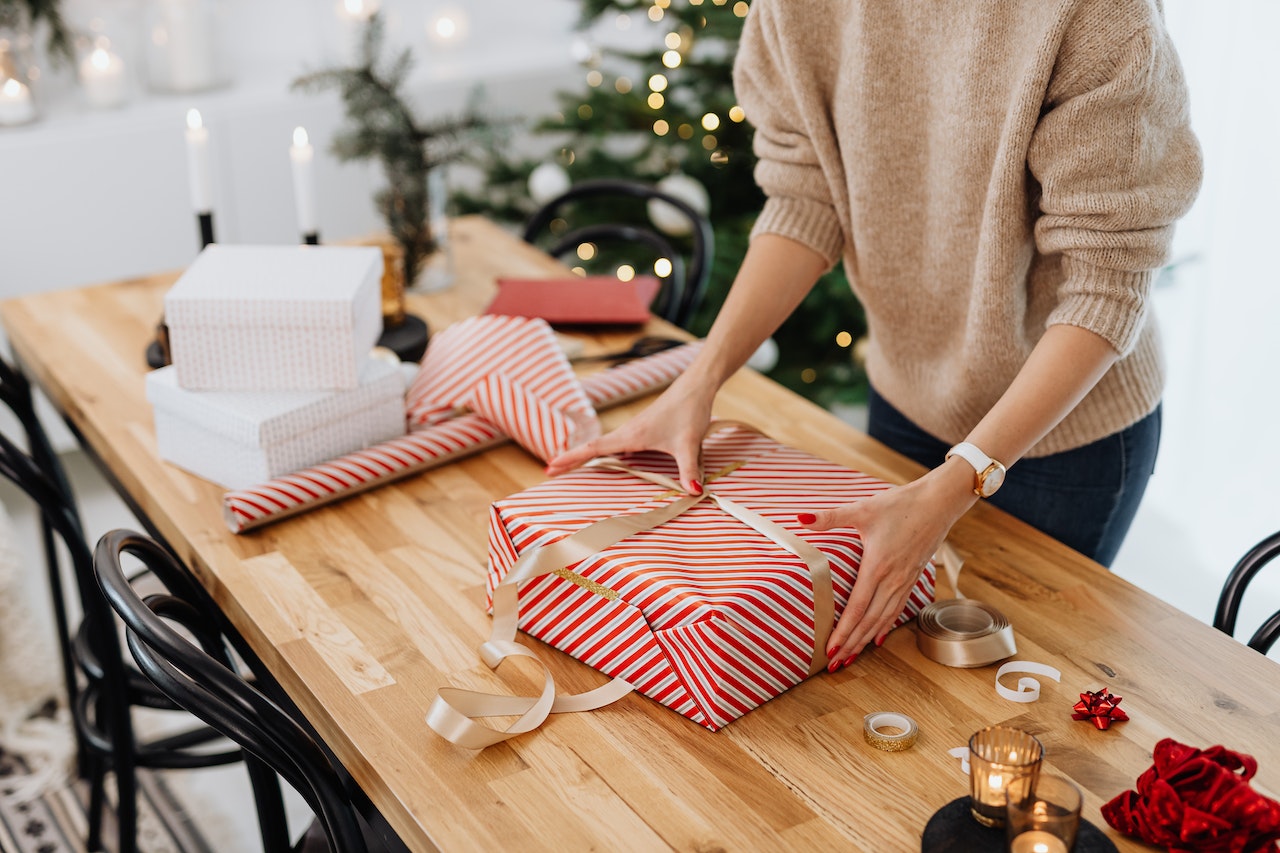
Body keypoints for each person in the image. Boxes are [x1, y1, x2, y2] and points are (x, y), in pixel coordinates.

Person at [548, 0, 1202, 672]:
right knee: (892, 669)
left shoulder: (1097, 14)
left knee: (1013, 685)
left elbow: (1104, 288)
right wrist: (700, 378)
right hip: (908, 394)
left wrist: (960, 481)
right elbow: (807, 198)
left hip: (1066, 435)